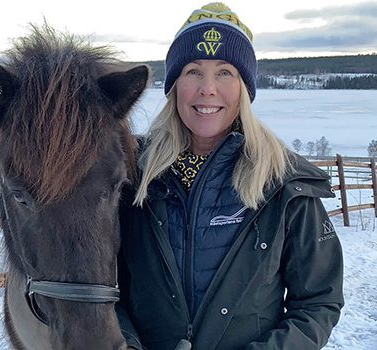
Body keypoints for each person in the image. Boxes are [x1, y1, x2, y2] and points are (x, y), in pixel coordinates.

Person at [116, 3, 344, 350]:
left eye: (225, 72)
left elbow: (317, 303)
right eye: (193, 71)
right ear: (175, 84)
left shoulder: (283, 182)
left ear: (244, 88)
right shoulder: (132, 174)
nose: (208, 88)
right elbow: (100, 286)